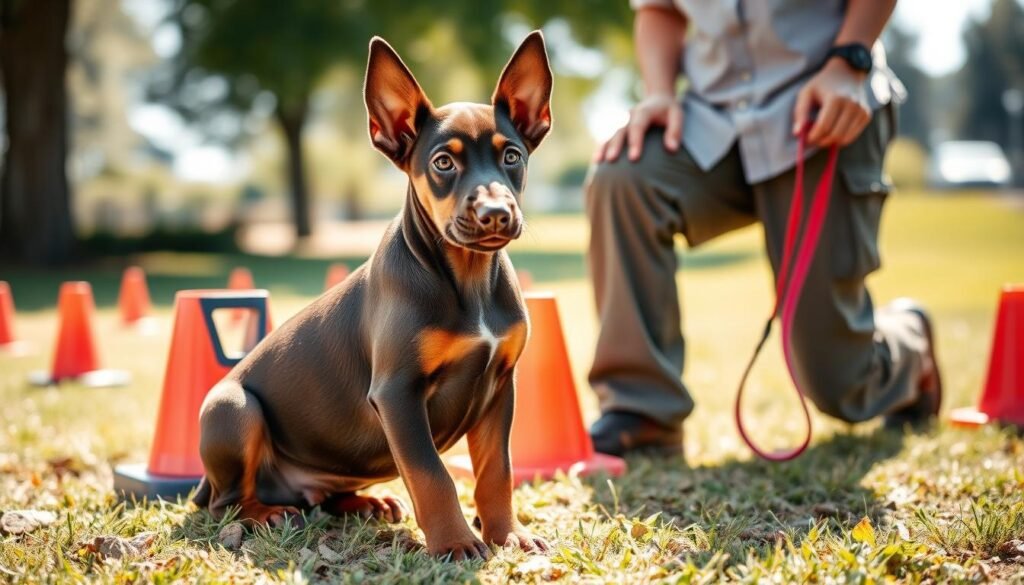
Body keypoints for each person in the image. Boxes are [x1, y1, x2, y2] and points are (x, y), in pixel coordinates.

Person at [586, 0, 942, 457]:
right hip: (712, 122)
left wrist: (851, 59)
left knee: (841, 386)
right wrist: (658, 93)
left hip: (823, 110)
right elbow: (659, 8)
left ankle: (911, 343)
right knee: (624, 175)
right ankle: (642, 412)